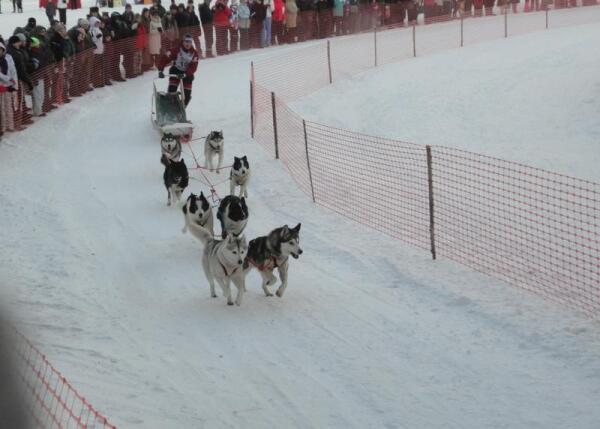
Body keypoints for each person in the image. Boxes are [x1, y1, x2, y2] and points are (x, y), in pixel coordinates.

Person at [157, 33, 199, 107]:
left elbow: (194, 67)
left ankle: (180, 111)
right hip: (176, 71)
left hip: (187, 74)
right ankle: (169, 109)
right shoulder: (176, 50)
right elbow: (165, 58)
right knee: (171, 93)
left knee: (187, 96)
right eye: (186, 41)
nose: (188, 44)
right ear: (183, 42)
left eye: (189, 42)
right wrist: (160, 70)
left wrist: (186, 74)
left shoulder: (194, 53)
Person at [0, 42, 18, 133]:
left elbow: (12, 71)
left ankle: (10, 125)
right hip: (1, 87)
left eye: (0, 49)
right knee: (1, 108)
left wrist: (13, 83)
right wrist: (9, 79)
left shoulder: (7, 59)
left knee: (8, 106)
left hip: (7, 86)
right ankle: (2, 127)